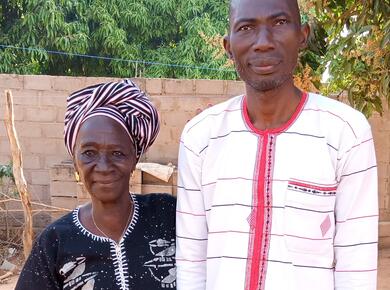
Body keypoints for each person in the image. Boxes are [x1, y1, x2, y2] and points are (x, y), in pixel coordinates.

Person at [175, 0, 378, 289]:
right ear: (228, 46)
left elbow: (357, 264)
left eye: (279, 23)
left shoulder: (345, 132)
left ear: (303, 35)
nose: (263, 42)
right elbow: (192, 262)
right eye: (246, 28)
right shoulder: (201, 138)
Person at [16, 80, 176, 290]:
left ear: (134, 160)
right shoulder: (55, 242)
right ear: (75, 161)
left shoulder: (168, 215)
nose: (103, 166)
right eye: (89, 153)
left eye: (117, 153)